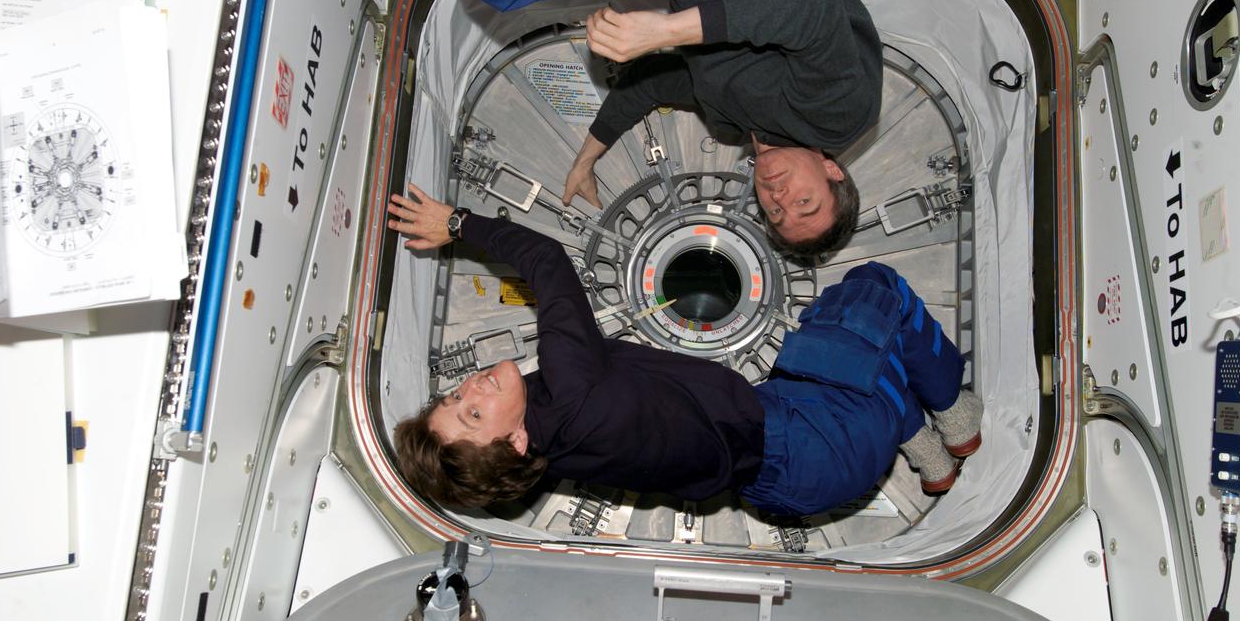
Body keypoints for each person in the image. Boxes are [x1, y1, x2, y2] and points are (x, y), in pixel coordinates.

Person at [387, 0, 883, 255]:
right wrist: (664, 31)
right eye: (804, 203)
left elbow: (650, 89)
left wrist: (586, 159)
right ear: (831, 169)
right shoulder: (839, 116)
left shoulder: (737, 123)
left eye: (775, 213)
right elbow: (813, 11)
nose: (779, 198)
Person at [386, 185, 982, 514]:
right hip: (819, 445)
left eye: (454, 394)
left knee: (859, 361)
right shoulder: (570, 390)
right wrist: (459, 224)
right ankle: (958, 418)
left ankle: (926, 453)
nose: (473, 385)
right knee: (875, 292)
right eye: (471, 411)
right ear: (512, 442)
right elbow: (547, 262)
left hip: (779, 471)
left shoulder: (537, 459)